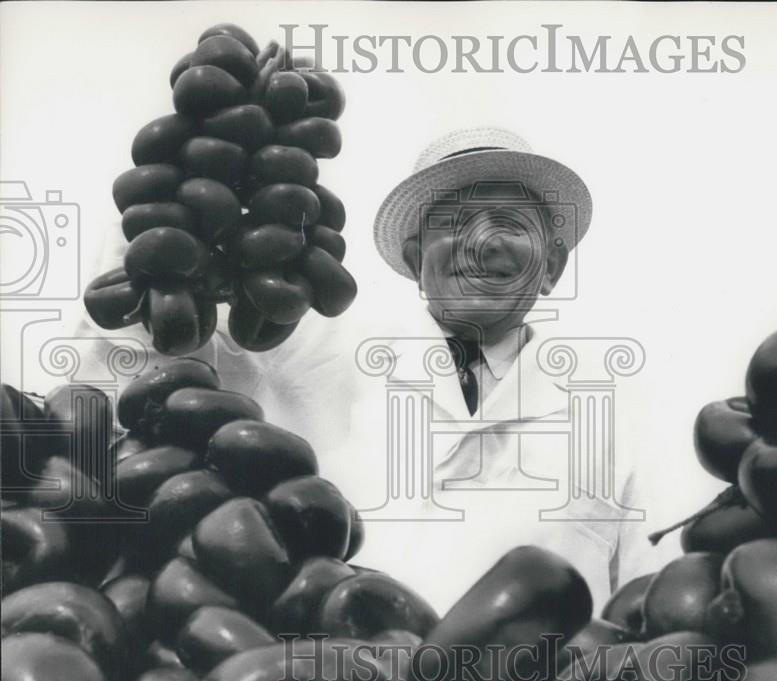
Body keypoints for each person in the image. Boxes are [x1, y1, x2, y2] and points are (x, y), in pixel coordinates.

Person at [75, 127, 662, 613]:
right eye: (453, 224)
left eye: (508, 223)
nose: (481, 245)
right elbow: (148, 341)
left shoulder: (618, 416)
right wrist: (194, 170)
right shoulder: (317, 354)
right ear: (414, 259)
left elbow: (650, 604)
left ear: (552, 265)